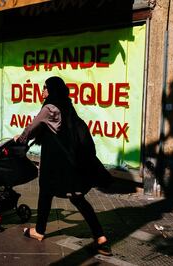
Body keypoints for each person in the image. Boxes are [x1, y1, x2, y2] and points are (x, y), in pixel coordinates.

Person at [14, 76, 112, 256]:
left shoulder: (49, 107)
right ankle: (100, 237)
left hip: (56, 162)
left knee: (45, 191)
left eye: (45, 88)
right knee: (77, 197)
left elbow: (32, 127)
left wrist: (19, 139)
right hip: (72, 161)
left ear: (51, 90)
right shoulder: (66, 104)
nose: (42, 91)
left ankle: (39, 231)